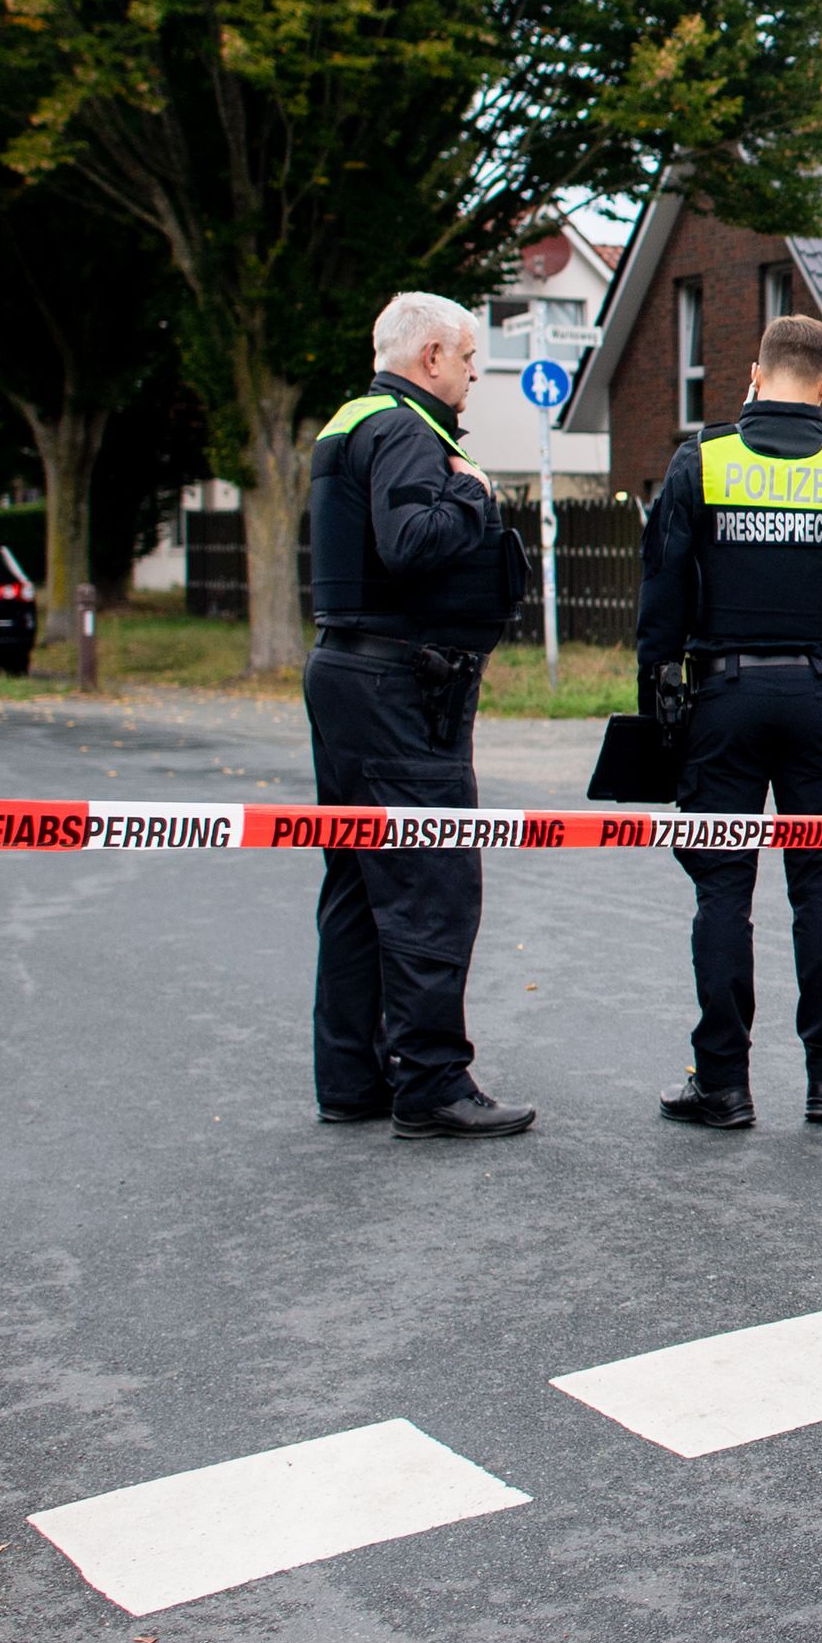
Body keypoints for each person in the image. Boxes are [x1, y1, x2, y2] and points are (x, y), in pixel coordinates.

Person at [637, 312, 822, 1130]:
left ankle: (721, 1083)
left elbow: (661, 596)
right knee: (820, 888)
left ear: (755, 374)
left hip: (720, 698)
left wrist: (660, 686)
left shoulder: (701, 461)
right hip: (818, 697)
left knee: (722, 889)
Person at [308, 291, 535, 1139]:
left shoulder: (349, 420)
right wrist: (473, 495)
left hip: (347, 672)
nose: (476, 374)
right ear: (431, 354)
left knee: (358, 882)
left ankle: (352, 1077)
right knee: (431, 881)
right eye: (470, 358)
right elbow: (408, 542)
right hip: (403, 686)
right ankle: (433, 1082)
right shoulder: (407, 428)